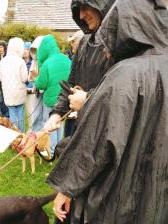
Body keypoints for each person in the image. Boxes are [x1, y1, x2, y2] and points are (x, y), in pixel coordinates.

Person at [48, 0, 168, 223]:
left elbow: (100, 138)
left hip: (116, 182)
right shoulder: (87, 46)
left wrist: (66, 187)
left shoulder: (125, 72)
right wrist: (57, 113)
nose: (82, 15)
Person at [44, 0, 116, 137]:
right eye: (78, 9)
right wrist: (56, 114)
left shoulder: (120, 43)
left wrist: (88, 99)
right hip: (81, 127)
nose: (81, 15)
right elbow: (71, 83)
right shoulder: (84, 42)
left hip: (106, 132)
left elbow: (123, 94)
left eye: (85, 7)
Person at [35, 34, 72, 155]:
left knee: (49, 124)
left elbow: (41, 84)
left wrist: (35, 79)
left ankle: (51, 150)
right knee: (59, 124)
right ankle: (58, 148)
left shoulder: (46, 63)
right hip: (64, 99)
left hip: (50, 99)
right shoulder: (67, 59)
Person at [0, 37, 28, 132]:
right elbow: (24, 78)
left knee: (12, 114)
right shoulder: (21, 61)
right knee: (20, 113)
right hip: (19, 91)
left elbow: (0, 77)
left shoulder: (3, 61)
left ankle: (14, 135)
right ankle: (22, 134)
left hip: (8, 92)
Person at [27, 36, 44, 132]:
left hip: (44, 91)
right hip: (37, 90)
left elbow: (44, 78)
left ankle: (42, 135)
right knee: (36, 114)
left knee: (44, 115)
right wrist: (32, 77)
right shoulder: (34, 61)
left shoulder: (45, 61)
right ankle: (35, 133)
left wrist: (36, 76)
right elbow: (30, 77)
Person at [0, 40, 9, 117]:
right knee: (1, 101)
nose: (0, 49)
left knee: (4, 100)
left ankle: (7, 116)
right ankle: (4, 116)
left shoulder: (7, 56)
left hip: (6, 81)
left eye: (1, 47)